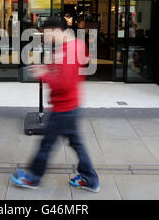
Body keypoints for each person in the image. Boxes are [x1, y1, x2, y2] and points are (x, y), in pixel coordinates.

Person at [10, 17, 100, 192]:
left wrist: (43, 74)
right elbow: (80, 64)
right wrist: (49, 68)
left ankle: (33, 178)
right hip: (72, 105)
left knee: (46, 145)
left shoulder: (66, 51)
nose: (44, 37)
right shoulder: (77, 45)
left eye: (45, 33)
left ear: (54, 31)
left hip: (63, 108)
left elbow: (62, 84)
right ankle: (90, 179)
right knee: (77, 144)